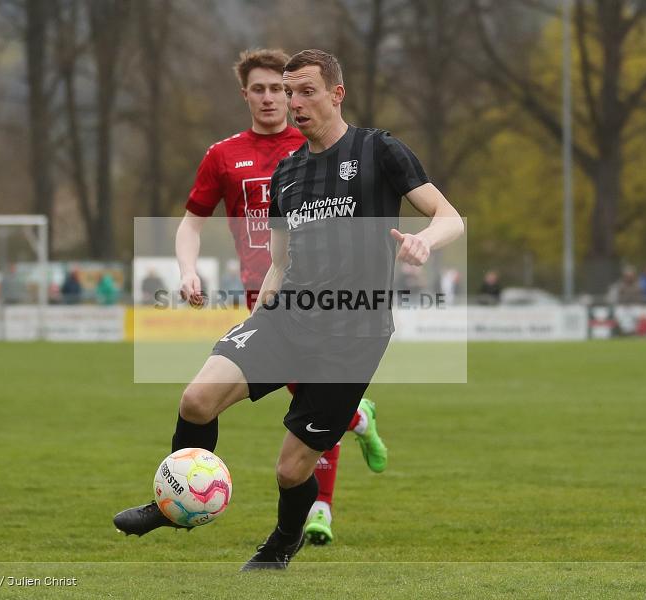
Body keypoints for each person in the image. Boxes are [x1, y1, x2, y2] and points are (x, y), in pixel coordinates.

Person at [114, 49, 464, 571]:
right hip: (287, 318)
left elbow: (448, 215)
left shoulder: (379, 149)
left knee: (289, 471)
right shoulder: (289, 173)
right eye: (288, 90)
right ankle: (173, 502)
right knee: (196, 400)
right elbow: (279, 265)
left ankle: (282, 541)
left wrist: (425, 242)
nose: (293, 102)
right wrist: (257, 324)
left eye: (305, 91)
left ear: (335, 93)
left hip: (352, 337)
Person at [170, 48, 384, 546]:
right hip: (264, 301)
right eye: (261, 89)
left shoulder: (316, 142)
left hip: (318, 307)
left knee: (306, 413)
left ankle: (321, 509)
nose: (273, 99)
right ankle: (358, 417)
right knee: (291, 401)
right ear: (245, 94)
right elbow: (191, 222)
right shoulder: (223, 154)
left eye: (280, 90)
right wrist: (187, 270)